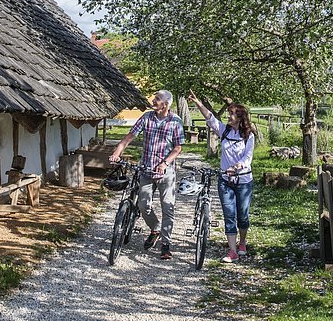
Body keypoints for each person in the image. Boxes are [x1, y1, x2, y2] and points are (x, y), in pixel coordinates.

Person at [109, 89, 184, 260]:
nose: (153, 100)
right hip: (146, 170)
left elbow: (178, 148)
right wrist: (117, 152)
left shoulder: (175, 121)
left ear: (165, 104)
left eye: (157, 99)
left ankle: (165, 245)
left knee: (168, 207)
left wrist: (164, 163)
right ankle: (155, 228)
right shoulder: (147, 117)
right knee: (143, 205)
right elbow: (129, 137)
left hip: (166, 173)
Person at [188, 90, 254, 263]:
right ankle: (232, 251)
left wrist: (237, 166)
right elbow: (210, 118)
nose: (229, 116)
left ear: (240, 118)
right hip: (225, 180)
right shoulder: (224, 131)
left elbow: (247, 158)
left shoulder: (248, 136)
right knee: (229, 215)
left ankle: (243, 242)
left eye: (232, 114)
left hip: (244, 181)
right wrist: (197, 103)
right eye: (229, 113)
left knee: (243, 215)